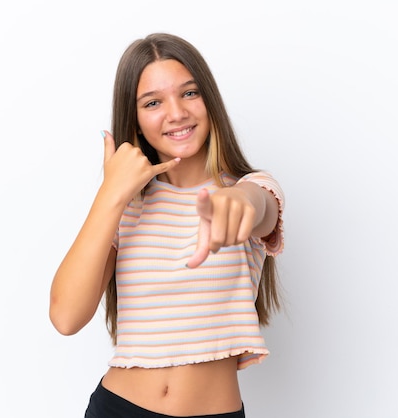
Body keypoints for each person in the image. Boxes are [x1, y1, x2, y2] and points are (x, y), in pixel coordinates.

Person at [49, 32, 285, 418]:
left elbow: (259, 207)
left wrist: (239, 203)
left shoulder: (251, 188)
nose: (176, 113)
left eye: (189, 93)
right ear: (136, 120)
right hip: (118, 408)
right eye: (153, 102)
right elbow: (66, 317)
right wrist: (111, 194)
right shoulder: (124, 207)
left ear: (209, 100)